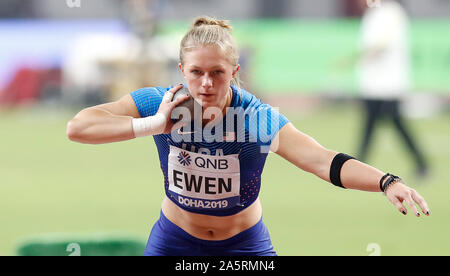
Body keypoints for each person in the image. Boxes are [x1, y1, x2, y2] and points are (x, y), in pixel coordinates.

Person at [66, 16, 430, 256]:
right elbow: (79, 127)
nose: (206, 83)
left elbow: (322, 161)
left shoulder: (255, 119)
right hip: (174, 241)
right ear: (181, 70)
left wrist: (386, 181)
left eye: (217, 72)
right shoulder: (158, 104)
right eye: (195, 72)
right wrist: (155, 125)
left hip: (243, 246)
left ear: (235, 71)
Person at [356, 0, 428, 177]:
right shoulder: (373, 13)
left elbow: (385, 42)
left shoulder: (392, 12)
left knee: (394, 121)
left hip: (389, 81)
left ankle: (422, 164)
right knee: (370, 123)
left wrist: (371, 51)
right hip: (373, 81)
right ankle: (358, 165)